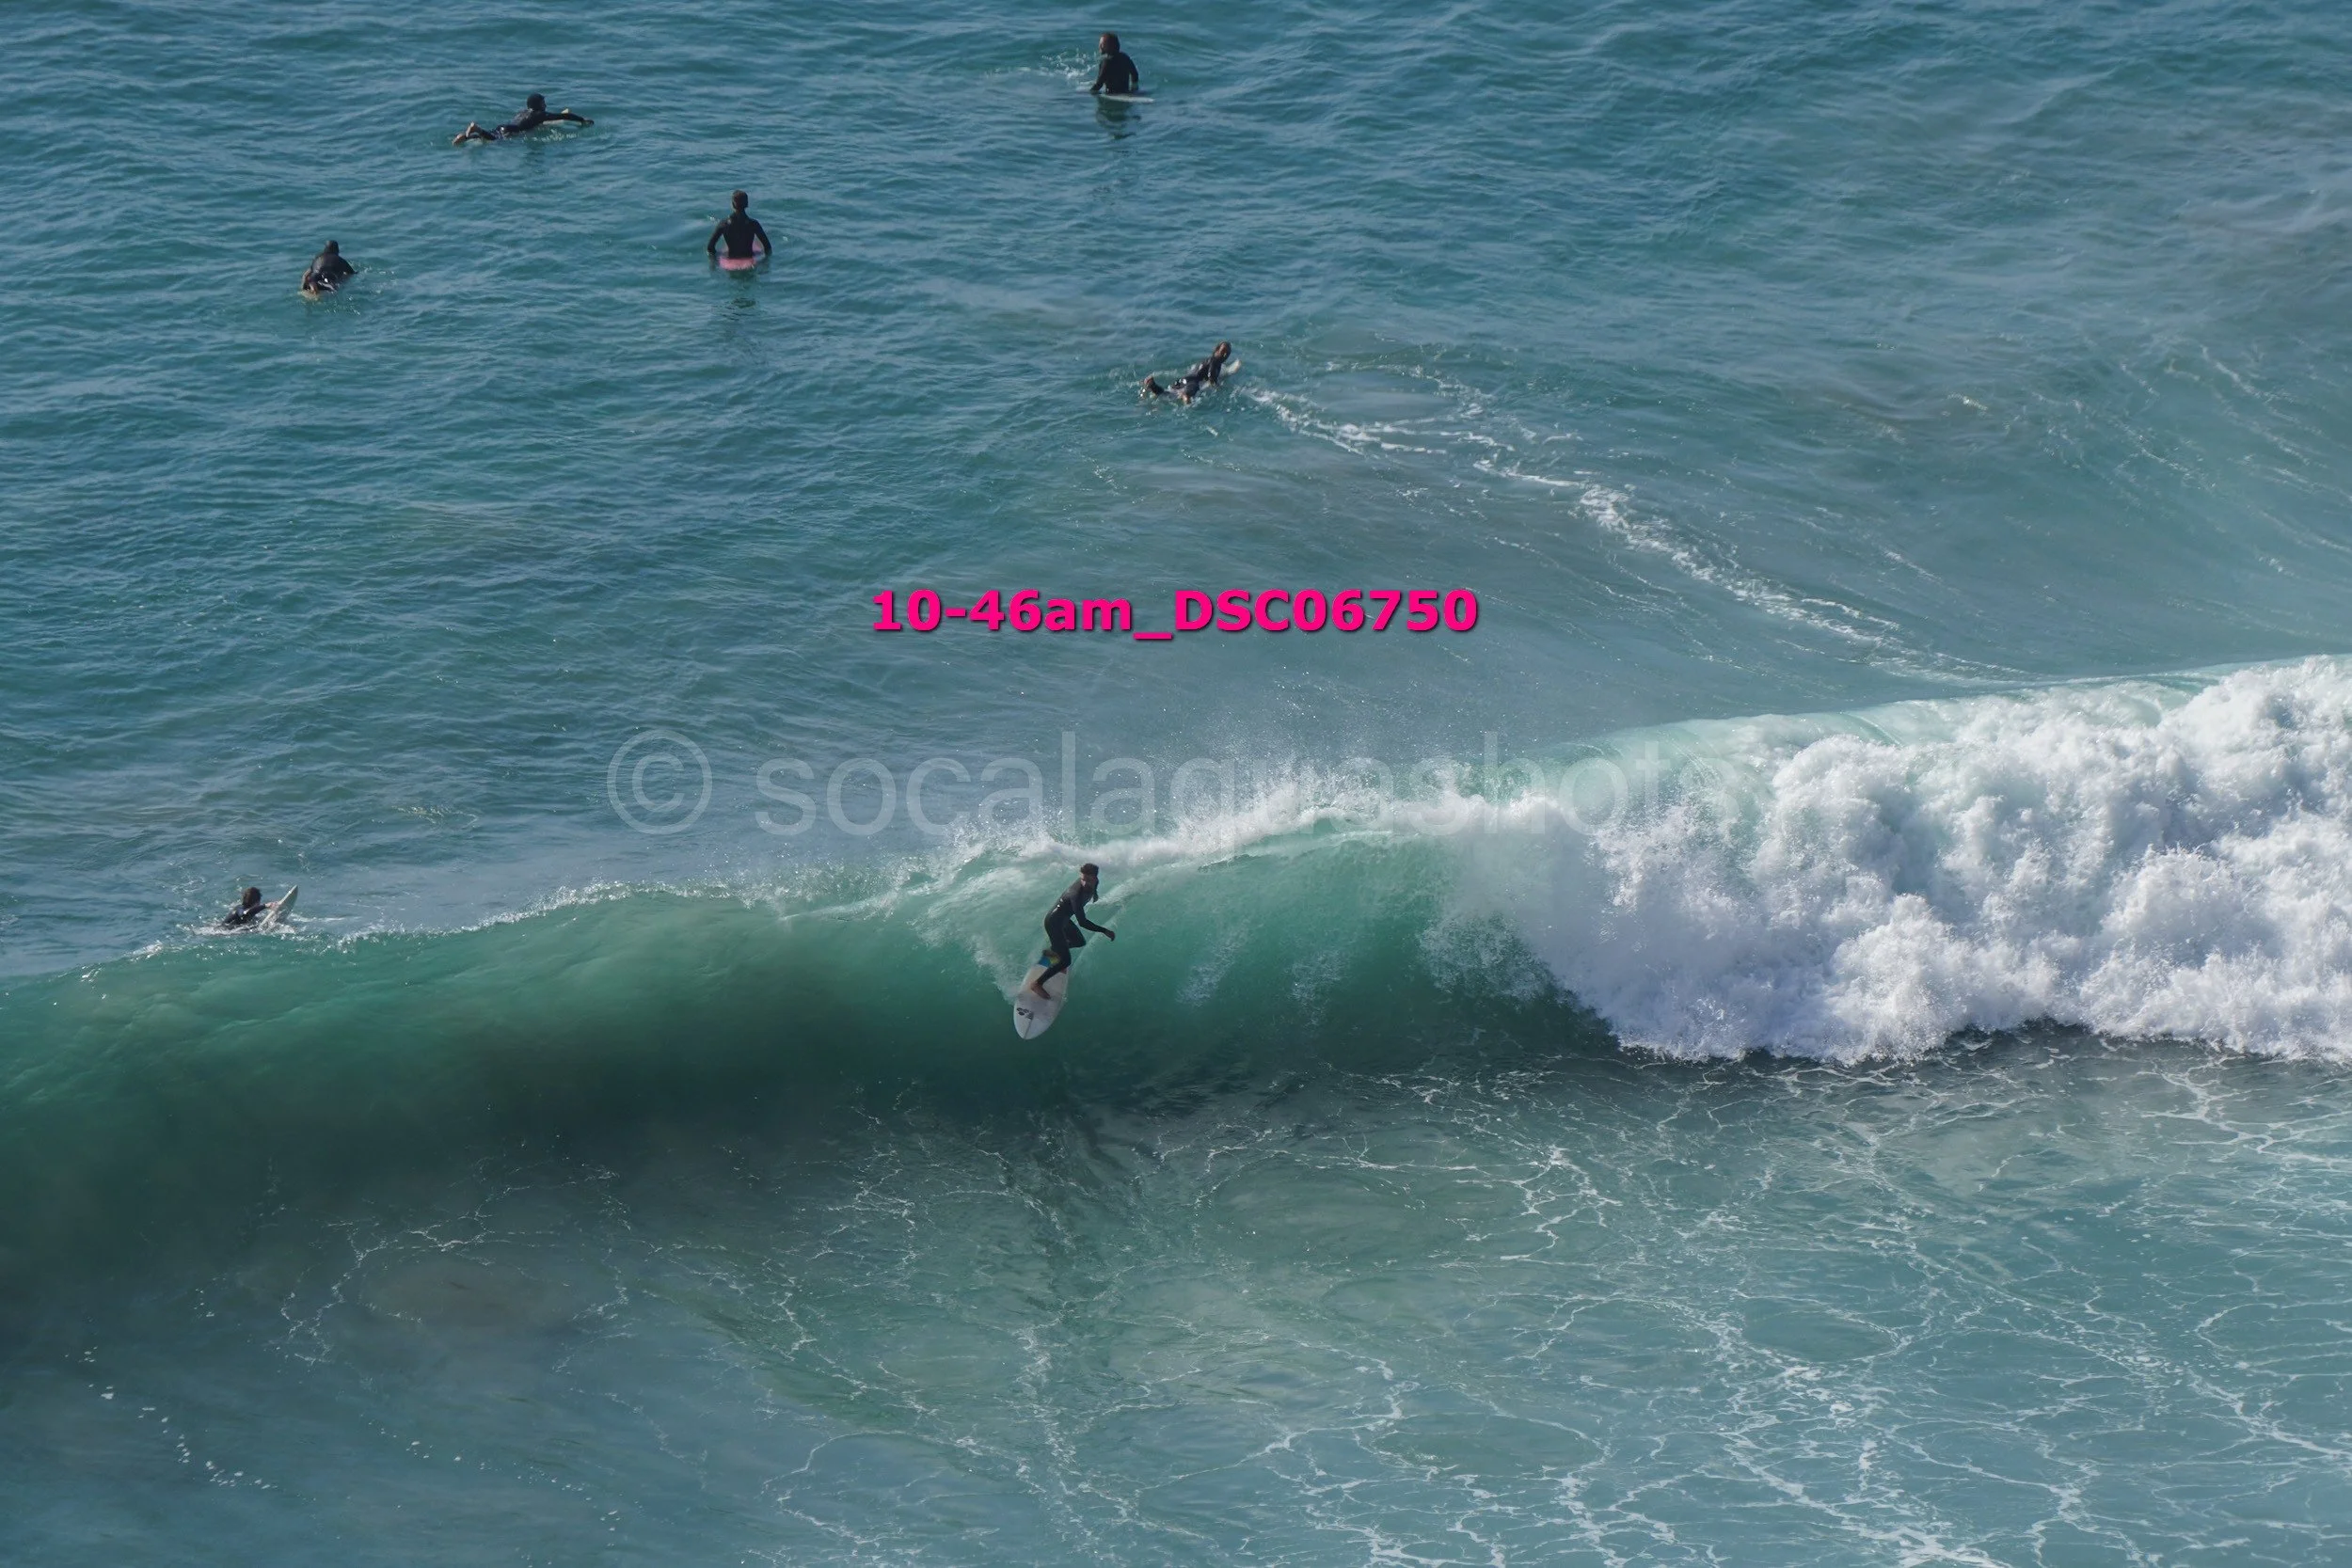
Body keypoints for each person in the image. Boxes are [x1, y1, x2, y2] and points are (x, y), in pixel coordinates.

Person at [1025, 863, 1115, 998]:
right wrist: (1104, 930)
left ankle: (1054, 951)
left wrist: (1094, 893)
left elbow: (1093, 886)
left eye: (1087, 879)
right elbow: (1082, 922)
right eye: (1082, 879)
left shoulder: (1094, 882)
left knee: (1079, 941)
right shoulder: (1076, 895)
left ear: (1095, 878)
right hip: (1053, 923)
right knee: (1066, 961)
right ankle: (1037, 984)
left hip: (1064, 920)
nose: (1083, 882)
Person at [453, 94, 593, 145]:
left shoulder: (524, 112)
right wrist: (581, 120)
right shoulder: (539, 115)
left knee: (489, 136)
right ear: (538, 105)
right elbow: (563, 116)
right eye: (543, 103)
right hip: (513, 131)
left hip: (504, 126)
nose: (546, 105)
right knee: (494, 141)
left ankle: (465, 137)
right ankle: (477, 129)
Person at [1142, 341, 1233, 404]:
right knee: (1187, 395)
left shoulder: (1207, 360)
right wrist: (1217, 387)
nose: (1225, 355)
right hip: (1193, 382)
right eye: (1223, 351)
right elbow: (1211, 375)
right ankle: (1187, 403)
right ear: (1216, 351)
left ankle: (1152, 385)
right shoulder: (1215, 360)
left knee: (1169, 393)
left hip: (1184, 379)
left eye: (1227, 353)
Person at [706, 191, 773, 263]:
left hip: (730, 259)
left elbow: (710, 248)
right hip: (749, 258)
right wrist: (762, 259)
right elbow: (768, 248)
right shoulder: (754, 224)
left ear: (732, 204)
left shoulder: (723, 224)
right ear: (747, 204)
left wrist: (717, 259)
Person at [1089, 32, 1141, 96]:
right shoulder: (1125, 57)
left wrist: (1090, 93)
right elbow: (1135, 75)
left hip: (1112, 94)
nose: (1099, 46)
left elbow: (1099, 84)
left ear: (1106, 46)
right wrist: (1134, 90)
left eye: (1101, 44)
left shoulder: (1106, 62)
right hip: (1126, 91)